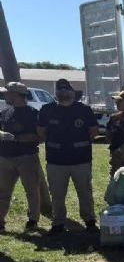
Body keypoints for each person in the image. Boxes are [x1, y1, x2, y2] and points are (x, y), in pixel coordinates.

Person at [37, 78, 98, 234]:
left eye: (66, 89)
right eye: (60, 89)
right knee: (57, 194)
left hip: (81, 159)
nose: (63, 92)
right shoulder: (47, 109)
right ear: (56, 93)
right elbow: (41, 132)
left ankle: (89, 220)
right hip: (56, 160)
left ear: (72, 92)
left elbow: (93, 131)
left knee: (85, 192)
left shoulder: (84, 110)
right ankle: (58, 222)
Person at [0, 82, 42, 232]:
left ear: (16, 94)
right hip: (5, 158)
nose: (4, 95)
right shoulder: (4, 112)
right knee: (3, 191)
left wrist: (14, 138)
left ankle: (33, 220)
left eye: (7, 93)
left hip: (27, 157)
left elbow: (38, 136)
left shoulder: (33, 113)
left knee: (32, 190)